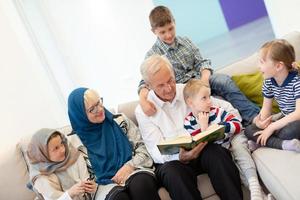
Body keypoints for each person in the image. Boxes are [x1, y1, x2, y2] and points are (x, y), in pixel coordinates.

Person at [135, 54, 243, 200]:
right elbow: (155, 151)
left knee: (217, 153)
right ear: (148, 86)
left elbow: (230, 111)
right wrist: (180, 156)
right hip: (173, 161)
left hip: (203, 150)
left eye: (170, 80)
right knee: (172, 173)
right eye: (160, 85)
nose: (168, 88)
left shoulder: (188, 90)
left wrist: (220, 127)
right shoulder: (143, 110)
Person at [138, 5, 260, 126]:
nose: (168, 35)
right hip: (185, 89)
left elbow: (202, 62)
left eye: (171, 29)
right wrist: (143, 101)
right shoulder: (152, 55)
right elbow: (145, 83)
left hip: (201, 79)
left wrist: (205, 80)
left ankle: (255, 117)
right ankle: (240, 124)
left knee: (224, 81)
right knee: (211, 100)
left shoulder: (185, 41)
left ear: (174, 22)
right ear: (154, 32)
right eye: (162, 32)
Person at [183, 79, 270, 200]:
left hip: (233, 140)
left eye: (209, 97)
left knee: (240, 151)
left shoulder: (218, 112)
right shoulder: (189, 122)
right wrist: (204, 128)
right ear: (190, 102)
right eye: (204, 98)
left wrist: (222, 127)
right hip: (223, 151)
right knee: (237, 170)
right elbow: (199, 142)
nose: (209, 101)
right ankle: (262, 197)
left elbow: (237, 124)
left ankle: (256, 189)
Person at [68, 88, 161, 200]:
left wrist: (130, 165)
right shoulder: (75, 144)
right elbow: (81, 178)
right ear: (80, 115)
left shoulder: (119, 120)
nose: (99, 109)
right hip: (102, 187)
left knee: (140, 185)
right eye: (92, 109)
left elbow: (143, 148)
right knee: (117, 197)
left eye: (99, 102)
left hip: (135, 170)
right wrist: (94, 186)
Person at [245, 39, 300, 152]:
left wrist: (272, 127)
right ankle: (282, 143)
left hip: (296, 120)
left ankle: (263, 141)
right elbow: (266, 109)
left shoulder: (297, 82)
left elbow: (298, 114)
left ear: (279, 66)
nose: (258, 66)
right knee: (249, 130)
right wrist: (261, 123)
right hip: (285, 118)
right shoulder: (269, 81)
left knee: (291, 130)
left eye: (262, 62)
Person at [27, 128, 98, 200]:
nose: (63, 150)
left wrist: (93, 187)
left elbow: (86, 180)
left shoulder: (73, 155)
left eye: (62, 143)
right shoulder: (40, 177)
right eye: (56, 148)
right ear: (42, 154)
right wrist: (70, 193)